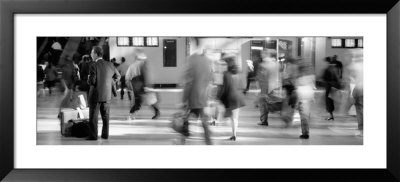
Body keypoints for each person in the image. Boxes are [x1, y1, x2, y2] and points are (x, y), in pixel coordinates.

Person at [181, 42, 213, 145]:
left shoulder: (191, 59)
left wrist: (183, 100)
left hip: (192, 98)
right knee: (205, 125)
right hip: (203, 98)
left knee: (184, 123)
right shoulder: (208, 61)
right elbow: (210, 81)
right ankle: (209, 144)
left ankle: (181, 142)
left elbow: (188, 82)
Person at [86, 46, 121, 140]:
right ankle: (105, 135)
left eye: (92, 52)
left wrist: (88, 79)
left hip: (95, 96)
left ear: (96, 54)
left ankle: (93, 136)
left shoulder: (94, 65)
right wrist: (110, 82)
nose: (91, 54)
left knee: (93, 117)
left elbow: (92, 82)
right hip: (107, 95)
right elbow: (118, 76)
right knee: (105, 117)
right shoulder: (110, 64)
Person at [217, 54, 245, 141]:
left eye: (224, 64)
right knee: (235, 118)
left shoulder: (226, 74)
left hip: (230, 97)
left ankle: (232, 134)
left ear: (227, 64)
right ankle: (234, 135)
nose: (223, 65)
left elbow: (225, 88)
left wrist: (218, 98)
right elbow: (243, 85)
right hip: (238, 96)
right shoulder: (239, 72)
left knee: (231, 117)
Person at [125, 52, 160, 120]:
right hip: (142, 86)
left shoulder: (134, 66)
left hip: (138, 87)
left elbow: (128, 77)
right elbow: (146, 76)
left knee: (139, 102)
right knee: (148, 100)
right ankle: (156, 111)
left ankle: (131, 115)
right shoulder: (142, 65)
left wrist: (129, 87)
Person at [256, 50, 280, 126]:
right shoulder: (277, 64)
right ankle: (276, 112)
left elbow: (263, 78)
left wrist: (261, 89)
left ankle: (264, 121)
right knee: (272, 102)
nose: (261, 55)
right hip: (276, 86)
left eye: (263, 54)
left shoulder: (263, 65)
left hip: (267, 87)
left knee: (263, 104)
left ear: (267, 55)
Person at [347, 51, 363, 137]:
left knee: (360, 111)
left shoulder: (354, 66)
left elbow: (352, 81)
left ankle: (361, 131)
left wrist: (351, 94)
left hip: (359, 90)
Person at [322, 57, 340, 121]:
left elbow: (324, 77)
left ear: (327, 62)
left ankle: (331, 116)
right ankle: (331, 115)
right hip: (333, 86)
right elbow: (337, 78)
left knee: (329, 101)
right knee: (331, 101)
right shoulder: (334, 68)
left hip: (329, 87)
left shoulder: (328, 68)